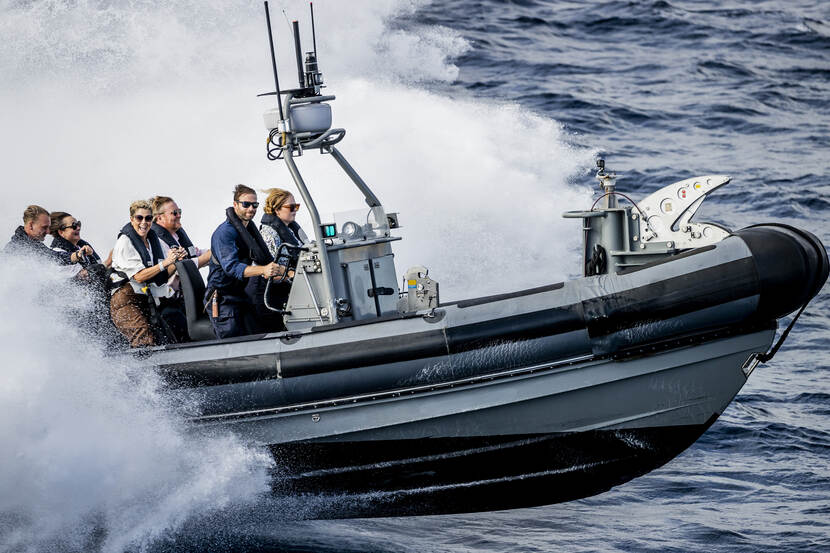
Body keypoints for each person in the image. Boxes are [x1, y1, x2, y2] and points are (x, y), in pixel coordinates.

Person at [205, 184, 281, 339]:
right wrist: (264, 270)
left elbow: (265, 260)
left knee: (261, 329)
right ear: (235, 205)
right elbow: (232, 268)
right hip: (222, 300)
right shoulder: (224, 233)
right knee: (234, 342)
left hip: (241, 296)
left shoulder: (248, 230)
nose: (251, 208)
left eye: (255, 205)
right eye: (246, 204)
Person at [110, 200, 189, 347]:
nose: (144, 222)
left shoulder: (152, 240)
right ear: (132, 219)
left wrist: (175, 261)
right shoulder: (125, 242)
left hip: (146, 299)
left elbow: (160, 276)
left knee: (166, 336)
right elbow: (139, 276)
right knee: (145, 341)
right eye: (139, 218)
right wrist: (166, 262)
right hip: (125, 301)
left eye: (148, 218)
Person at [251, 188, 307, 331]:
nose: (295, 210)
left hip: (284, 293)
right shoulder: (269, 234)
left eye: (297, 206)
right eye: (291, 207)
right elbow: (273, 269)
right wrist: (293, 274)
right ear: (276, 210)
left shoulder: (291, 231)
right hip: (269, 297)